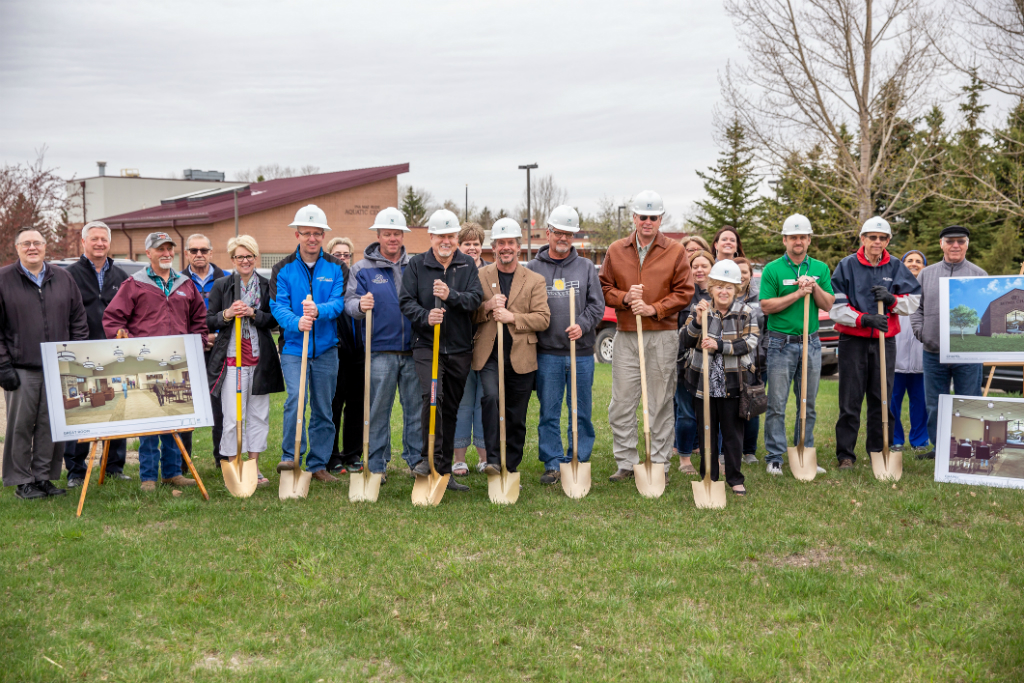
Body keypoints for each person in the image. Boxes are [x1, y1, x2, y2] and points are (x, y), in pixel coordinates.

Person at [600, 190, 694, 482]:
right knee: (621, 403)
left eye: (653, 217)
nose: (648, 222)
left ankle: (659, 463)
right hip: (626, 335)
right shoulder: (616, 249)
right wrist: (625, 298)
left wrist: (654, 308)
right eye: (643, 217)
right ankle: (626, 462)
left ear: (661, 219)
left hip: (662, 335)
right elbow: (604, 288)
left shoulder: (675, 251)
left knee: (660, 402)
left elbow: (685, 292)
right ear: (634, 217)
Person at [103, 231, 208, 491]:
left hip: (177, 365)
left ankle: (172, 472)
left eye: (169, 248)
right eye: (160, 249)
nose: (166, 253)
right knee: (148, 421)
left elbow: (198, 320)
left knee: (174, 419)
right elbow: (113, 319)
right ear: (148, 253)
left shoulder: (185, 284)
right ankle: (148, 476)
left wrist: (197, 345)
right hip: (145, 365)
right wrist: (127, 343)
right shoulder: (134, 284)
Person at [0, 227, 89, 500]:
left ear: (45, 247)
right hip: (21, 368)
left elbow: (78, 319)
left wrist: (75, 358)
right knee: (20, 427)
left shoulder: (62, 277)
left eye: (37, 243)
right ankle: (22, 481)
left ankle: (44, 477)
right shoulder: (3, 279)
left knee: (52, 427)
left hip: (57, 368)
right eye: (26, 243)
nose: (32, 248)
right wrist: (3, 366)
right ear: (17, 248)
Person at [400, 209, 483, 491]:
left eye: (450, 236)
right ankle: (429, 459)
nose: (445, 241)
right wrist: (426, 316)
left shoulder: (467, 265)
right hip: (427, 345)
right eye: (440, 236)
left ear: (456, 238)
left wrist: (451, 296)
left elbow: (475, 299)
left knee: (451, 408)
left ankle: (444, 471)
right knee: (432, 396)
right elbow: (406, 301)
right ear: (431, 237)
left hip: (459, 348)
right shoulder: (417, 265)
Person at [830, 217, 921, 469]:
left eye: (882, 238)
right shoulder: (846, 266)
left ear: (888, 241)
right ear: (863, 239)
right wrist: (863, 319)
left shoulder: (895, 266)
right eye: (872, 237)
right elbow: (836, 307)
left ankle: (878, 450)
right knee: (850, 400)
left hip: (885, 341)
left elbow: (913, 301)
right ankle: (845, 455)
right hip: (852, 341)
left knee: (881, 398)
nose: (877, 242)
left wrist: (892, 300)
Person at [270, 204, 348, 483]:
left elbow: (338, 302)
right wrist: (296, 322)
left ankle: (318, 464)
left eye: (317, 233)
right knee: (295, 400)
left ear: (323, 236)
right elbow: (277, 306)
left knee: (324, 407)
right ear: (297, 235)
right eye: (306, 233)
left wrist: (318, 311)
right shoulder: (282, 269)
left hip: (326, 349)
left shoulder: (337, 267)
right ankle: (290, 457)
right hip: (294, 348)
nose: (312, 238)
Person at [526, 206, 604, 483]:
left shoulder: (585, 267)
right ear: (548, 233)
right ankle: (552, 462)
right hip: (548, 353)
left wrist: (582, 324)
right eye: (559, 232)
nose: (563, 238)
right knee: (549, 412)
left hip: (580, 353)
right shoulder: (533, 269)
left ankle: (577, 459)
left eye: (568, 234)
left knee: (580, 411)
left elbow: (597, 305)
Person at [345, 207, 422, 484]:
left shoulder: (416, 266)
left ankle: (416, 461)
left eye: (397, 233)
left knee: (415, 409)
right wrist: (359, 305)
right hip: (379, 351)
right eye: (387, 233)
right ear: (378, 235)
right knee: (378, 410)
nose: (392, 238)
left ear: (403, 236)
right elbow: (349, 303)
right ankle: (376, 463)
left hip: (414, 350)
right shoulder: (361, 269)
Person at [758, 215, 836, 475]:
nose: (798, 241)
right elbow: (766, 306)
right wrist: (798, 294)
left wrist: (813, 287)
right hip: (780, 342)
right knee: (777, 403)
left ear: (809, 240)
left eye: (802, 237)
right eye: (793, 237)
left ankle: (805, 450)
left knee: (807, 403)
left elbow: (827, 304)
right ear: (785, 240)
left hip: (811, 342)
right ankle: (775, 457)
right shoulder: (772, 269)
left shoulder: (820, 268)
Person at [474, 218, 550, 477]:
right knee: (491, 399)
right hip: (489, 356)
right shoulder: (480, 276)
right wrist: (487, 307)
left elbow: (543, 318)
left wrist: (512, 317)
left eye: (510, 243)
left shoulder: (534, 280)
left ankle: (511, 464)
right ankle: (494, 460)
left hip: (521, 356)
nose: (505, 247)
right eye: (500, 243)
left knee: (516, 414)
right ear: (493, 247)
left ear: (518, 247)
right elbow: (469, 314)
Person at [206, 235, 285, 488]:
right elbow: (209, 319)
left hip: (259, 360)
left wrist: (254, 313)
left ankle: (253, 466)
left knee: (258, 416)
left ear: (255, 257)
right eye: (240, 256)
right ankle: (234, 464)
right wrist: (228, 314)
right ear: (232, 259)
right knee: (233, 417)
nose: (245, 260)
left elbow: (274, 319)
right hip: (232, 360)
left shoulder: (266, 285)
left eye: (249, 256)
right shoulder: (222, 285)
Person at [681, 260, 759, 495]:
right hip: (702, 382)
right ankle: (710, 476)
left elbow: (750, 342)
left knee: (733, 434)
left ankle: (735, 478)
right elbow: (685, 340)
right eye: (719, 287)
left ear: (736, 289)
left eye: (728, 287)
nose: (723, 292)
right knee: (707, 431)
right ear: (711, 288)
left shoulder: (745, 312)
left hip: (732, 383)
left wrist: (720, 345)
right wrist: (698, 321)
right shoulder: (700, 310)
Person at [910, 226, 987, 459]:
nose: (955, 245)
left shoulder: (979, 275)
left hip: (968, 354)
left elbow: (986, 312)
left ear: (967, 244)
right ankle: (941, 449)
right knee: (935, 404)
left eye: (960, 241)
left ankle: (969, 449)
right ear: (941, 244)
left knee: (968, 401)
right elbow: (916, 308)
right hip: (933, 352)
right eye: (950, 241)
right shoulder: (926, 274)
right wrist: (921, 332)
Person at [63, 221, 130, 486]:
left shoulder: (122, 276)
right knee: (80, 411)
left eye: (104, 239)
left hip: (114, 353)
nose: (100, 243)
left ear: (109, 243)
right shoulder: (68, 275)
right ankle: (76, 471)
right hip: (81, 351)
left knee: (116, 408)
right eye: (94, 239)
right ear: (83, 242)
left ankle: (113, 466)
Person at [183, 233, 227, 467]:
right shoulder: (177, 281)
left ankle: (222, 458)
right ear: (187, 254)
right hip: (189, 351)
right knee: (185, 405)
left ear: (211, 252)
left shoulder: (227, 279)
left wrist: (216, 336)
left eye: (203, 250)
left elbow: (233, 313)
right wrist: (198, 338)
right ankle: (182, 463)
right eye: (194, 250)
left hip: (219, 349)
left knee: (220, 406)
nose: (198, 254)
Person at [325, 236, 364, 474]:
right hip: (334, 352)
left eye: (346, 255)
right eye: (337, 254)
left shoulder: (357, 281)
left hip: (359, 352)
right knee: (334, 404)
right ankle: (332, 455)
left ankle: (353, 454)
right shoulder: (325, 281)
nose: (342, 258)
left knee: (357, 404)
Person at [453, 222, 489, 475]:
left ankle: (484, 458)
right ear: (459, 245)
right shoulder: (453, 272)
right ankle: (459, 459)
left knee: (484, 403)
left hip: (486, 346)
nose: (472, 248)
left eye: (476, 243)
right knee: (462, 403)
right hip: (459, 346)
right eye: (467, 243)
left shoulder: (491, 273)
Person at [674, 250, 713, 474]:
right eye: (694, 266)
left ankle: (713, 457)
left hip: (713, 364)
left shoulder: (720, 293)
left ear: (712, 268)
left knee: (712, 413)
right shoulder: (683, 293)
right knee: (686, 413)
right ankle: (685, 459)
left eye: (704, 266)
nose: (699, 270)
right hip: (686, 362)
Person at [891, 250, 930, 452]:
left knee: (921, 403)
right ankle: (895, 439)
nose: (914, 264)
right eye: (909, 260)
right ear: (902, 265)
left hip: (922, 360)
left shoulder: (930, 291)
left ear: (924, 267)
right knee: (892, 402)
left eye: (918, 261)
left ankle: (920, 441)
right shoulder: (893, 289)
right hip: (895, 359)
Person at [732, 256, 765, 465]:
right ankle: (728, 449)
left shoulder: (760, 298)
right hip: (729, 360)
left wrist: (763, 353)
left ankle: (749, 451)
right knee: (729, 406)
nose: (741, 276)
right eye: (736, 272)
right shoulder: (723, 296)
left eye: (744, 272)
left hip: (756, 360)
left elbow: (768, 327)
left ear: (750, 275)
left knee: (752, 404)